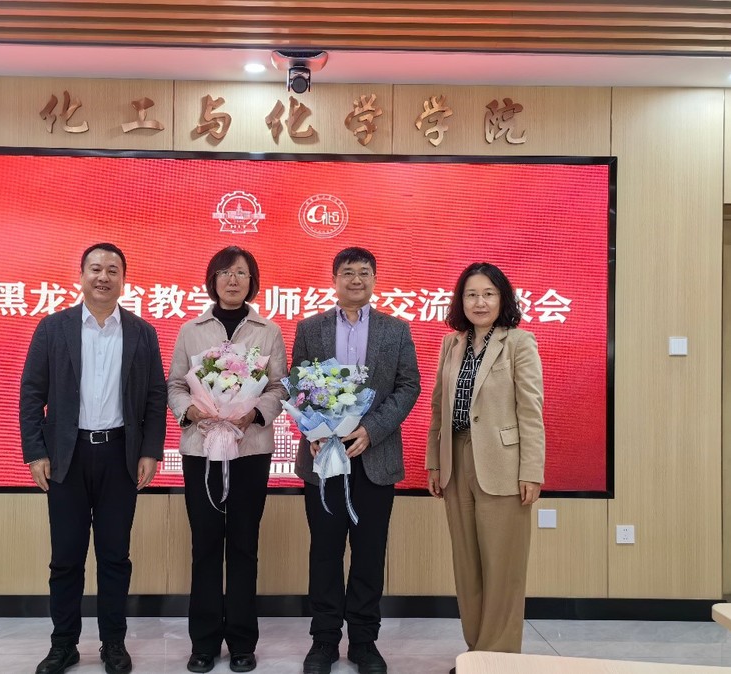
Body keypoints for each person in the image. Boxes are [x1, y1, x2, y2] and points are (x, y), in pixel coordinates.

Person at [20, 242, 168, 674]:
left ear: (124, 279)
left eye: (113, 270)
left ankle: (113, 644)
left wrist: (150, 450)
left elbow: (155, 397)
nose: (104, 277)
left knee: (115, 557)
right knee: (66, 558)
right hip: (66, 457)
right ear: (82, 276)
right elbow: (31, 393)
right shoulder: (53, 328)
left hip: (120, 456)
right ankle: (63, 644)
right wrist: (35, 452)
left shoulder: (141, 332)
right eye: (96, 269)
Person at [292, 247, 421, 674]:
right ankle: (324, 640)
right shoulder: (310, 328)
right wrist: (313, 432)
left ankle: (364, 641)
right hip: (323, 460)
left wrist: (371, 429)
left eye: (364, 272)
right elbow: (297, 386)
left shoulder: (396, 329)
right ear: (334, 280)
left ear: (374, 279)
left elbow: (408, 386)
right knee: (324, 554)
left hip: (374, 459)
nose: (356, 280)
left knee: (369, 554)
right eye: (347, 272)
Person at [167, 246, 288, 674]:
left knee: (243, 545)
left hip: (249, 450)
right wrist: (190, 410)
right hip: (201, 450)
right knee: (204, 547)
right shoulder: (191, 330)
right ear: (212, 280)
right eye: (224, 272)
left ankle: (241, 642)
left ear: (252, 282)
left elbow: (279, 387)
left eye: (241, 273)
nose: (232, 280)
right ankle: (203, 643)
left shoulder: (268, 331)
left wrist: (254, 413)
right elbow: (175, 384)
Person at [426, 262, 545, 672]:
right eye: (472, 294)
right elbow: (438, 408)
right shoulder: (452, 343)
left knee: (502, 568)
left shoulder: (519, 342)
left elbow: (531, 411)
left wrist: (531, 470)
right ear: (461, 301)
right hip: (456, 461)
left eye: (489, 294)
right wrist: (433, 463)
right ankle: (477, 653)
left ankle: (501, 658)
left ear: (502, 299)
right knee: (468, 566)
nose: (480, 302)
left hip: (503, 465)